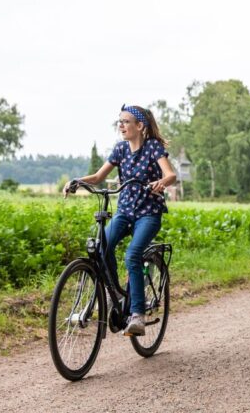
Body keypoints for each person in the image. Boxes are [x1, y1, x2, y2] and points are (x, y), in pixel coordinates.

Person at [64, 105, 177, 336]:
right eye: (120, 121)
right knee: (101, 247)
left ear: (140, 126)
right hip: (124, 212)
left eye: (126, 121)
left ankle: (137, 315)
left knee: (132, 255)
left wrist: (162, 183)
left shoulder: (152, 147)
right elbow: (97, 177)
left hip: (148, 214)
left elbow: (171, 175)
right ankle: (114, 292)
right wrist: (76, 181)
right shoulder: (120, 149)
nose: (121, 125)